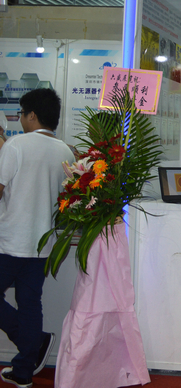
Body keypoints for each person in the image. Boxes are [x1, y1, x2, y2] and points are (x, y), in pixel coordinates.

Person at [0, 88, 75, 388]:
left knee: (28, 304)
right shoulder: (65, 151)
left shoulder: (16, 145)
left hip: (9, 240)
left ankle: (33, 344)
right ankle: (23, 371)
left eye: (21, 113)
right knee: (30, 303)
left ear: (32, 115)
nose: (20, 119)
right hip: (43, 243)